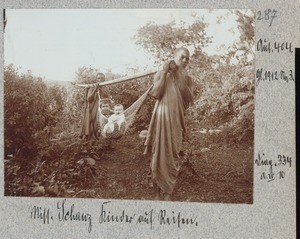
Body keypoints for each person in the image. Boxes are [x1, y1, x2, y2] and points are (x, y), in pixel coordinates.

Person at [144, 48, 193, 200]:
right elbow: (156, 93)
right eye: (182, 57)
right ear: (174, 57)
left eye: (187, 58)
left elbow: (188, 100)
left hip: (176, 121)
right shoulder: (161, 74)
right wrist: (165, 71)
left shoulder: (187, 79)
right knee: (158, 153)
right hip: (161, 119)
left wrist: (177, 75)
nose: (185, 60)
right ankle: (157, 192)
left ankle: (168, 190)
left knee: (172, 154)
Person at [79, 73, 105, 140]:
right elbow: (88, 99)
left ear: (104, 79)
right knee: (91, 121)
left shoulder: (104, 87)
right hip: (92, 107)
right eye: (99, 78)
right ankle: (89, 138)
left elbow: (105, 97)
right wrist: (95, 89)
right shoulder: (92, 87)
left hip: (100, 107)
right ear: (96, 79)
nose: (100, 80)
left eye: (102, 78)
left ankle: (96, 138)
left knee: (97, 122)